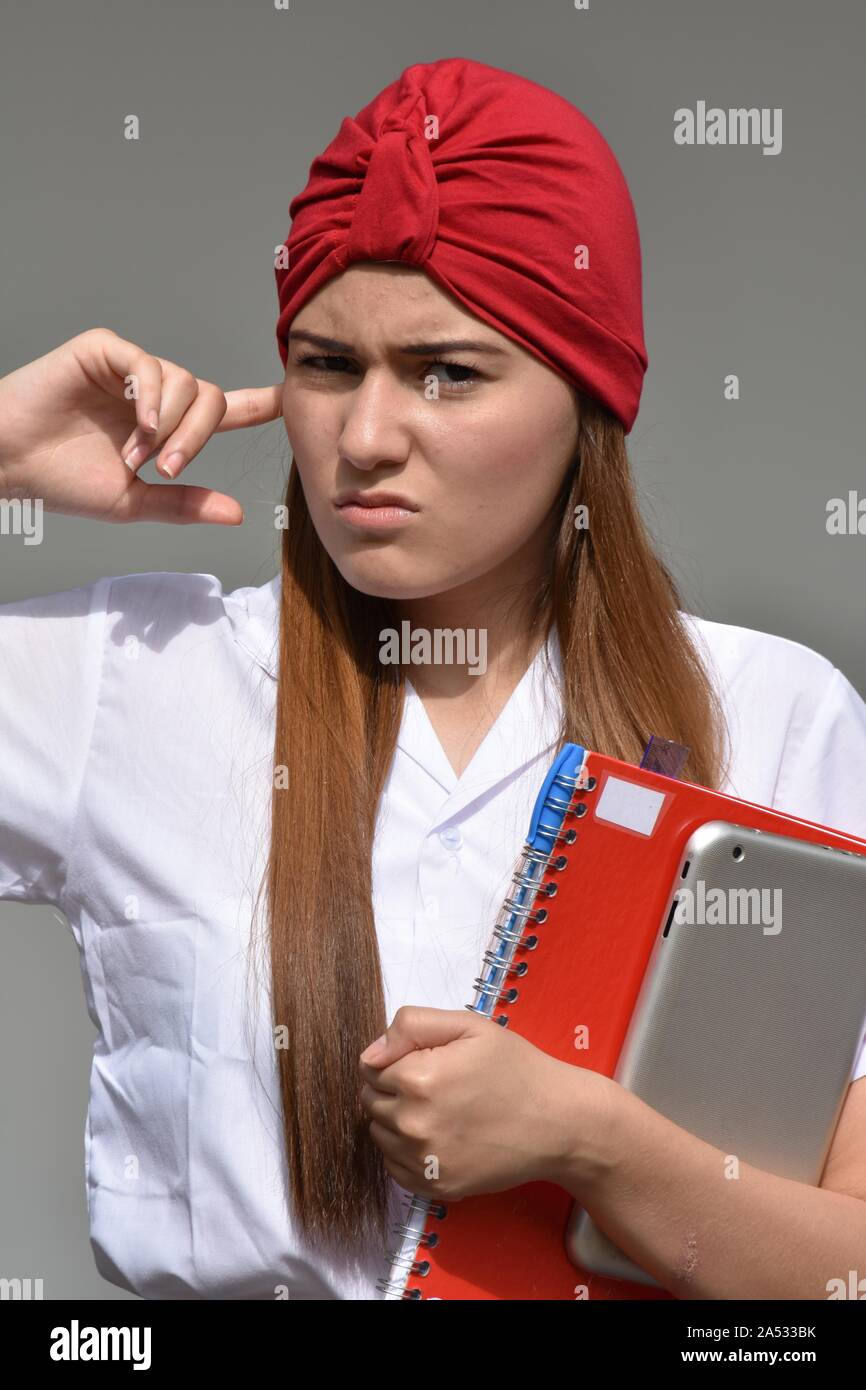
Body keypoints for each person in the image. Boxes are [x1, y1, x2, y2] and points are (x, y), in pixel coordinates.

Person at [1, 56, 865, 1302]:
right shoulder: (137, 675)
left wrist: (590, 1143)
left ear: (587, 399)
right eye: (326, 364)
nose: (361, 440)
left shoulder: (774, 712)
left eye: (446, 372)